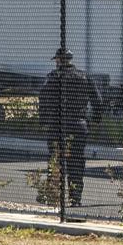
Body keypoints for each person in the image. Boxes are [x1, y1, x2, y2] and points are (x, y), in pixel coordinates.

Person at [38, 47, 102, 208]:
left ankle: (53, 196)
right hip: (78, 124)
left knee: (55, 160)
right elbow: (98, 100)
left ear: (58, 60)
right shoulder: (84, 76)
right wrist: (95, 119)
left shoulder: (52, 77)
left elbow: (43, 98)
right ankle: (75, 198)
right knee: (76, 162)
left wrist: (44, 120)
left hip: (57, 123)